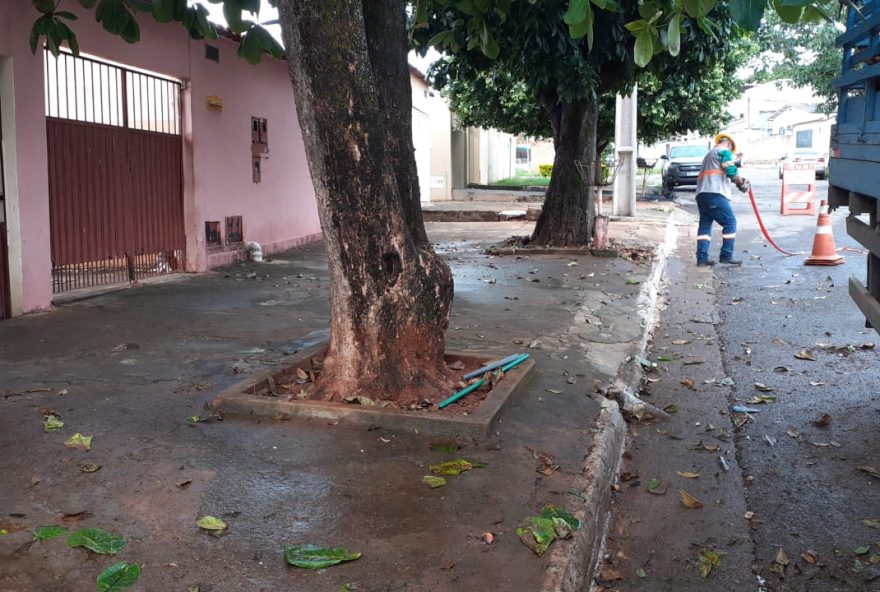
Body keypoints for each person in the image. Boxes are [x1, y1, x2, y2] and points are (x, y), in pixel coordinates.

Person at [694, 134, 750, 266]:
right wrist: (740, 182)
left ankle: (702, 259)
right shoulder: (724, 151)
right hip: (715, 194)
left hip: (702, 195)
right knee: (730, 222)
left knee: (705, 226)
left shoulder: (709, 155)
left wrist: (736, 179)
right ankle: (726, 255)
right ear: (729, 144)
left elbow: (722, 170)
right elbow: (729, 169)